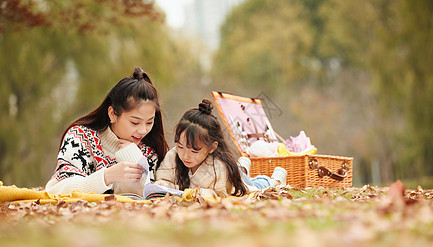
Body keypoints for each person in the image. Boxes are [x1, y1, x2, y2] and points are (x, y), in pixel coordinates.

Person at [46, 67, 169, 196]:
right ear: (112, 114)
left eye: (149, 122)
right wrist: (107, 176)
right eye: (135, 122)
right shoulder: (80, 137)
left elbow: (144, 197)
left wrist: (134, 157)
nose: (143, 130)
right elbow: (58, 189)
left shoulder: (148, 151)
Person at [154, 99, 287, 198]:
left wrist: (195, 192)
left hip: (234, 181)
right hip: (233, 171)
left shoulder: (218, 167)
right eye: (180, 146)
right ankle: (243, 166)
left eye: (194, 150)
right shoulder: (174, 155)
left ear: (212, 147)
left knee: (252, 184)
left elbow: (221, 196)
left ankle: (274, 178)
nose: (185, 155)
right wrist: (166, 185)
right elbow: (162, 179)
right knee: (241, 172)